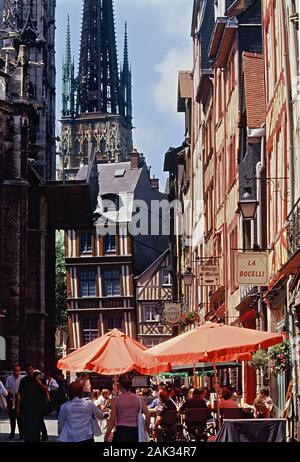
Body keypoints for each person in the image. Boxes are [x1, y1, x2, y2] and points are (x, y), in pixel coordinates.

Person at [104, 374, 150, 443]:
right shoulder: (139, 398)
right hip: (135, 431)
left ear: (119, 385)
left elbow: (112, 420)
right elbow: (148, 414)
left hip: (121, 432)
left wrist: (106, 436)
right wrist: (146, 428)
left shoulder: (115, 400)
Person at [16, 364, 49, 442]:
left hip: (37, 407)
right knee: (27, 426)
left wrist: (38, 382)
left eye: (31, 369)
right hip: (26, 406)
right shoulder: (23, 380)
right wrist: (18, 407)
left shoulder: (39, 378)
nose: (29, 371)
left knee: (36, 427)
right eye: (28, 370)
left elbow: (46, 389)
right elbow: (20, 394)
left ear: (33, 369)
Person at [5, 365, 24, 440]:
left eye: (18, 370)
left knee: (20, 418)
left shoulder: (22, 378)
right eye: (15, 370)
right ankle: (12, 433)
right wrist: (9, 392)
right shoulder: (9, 378)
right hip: (11, 399)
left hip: (20, 400)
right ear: (13, 371)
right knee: (12, 418)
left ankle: (21, 434)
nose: (17, 372)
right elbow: (7, 388)